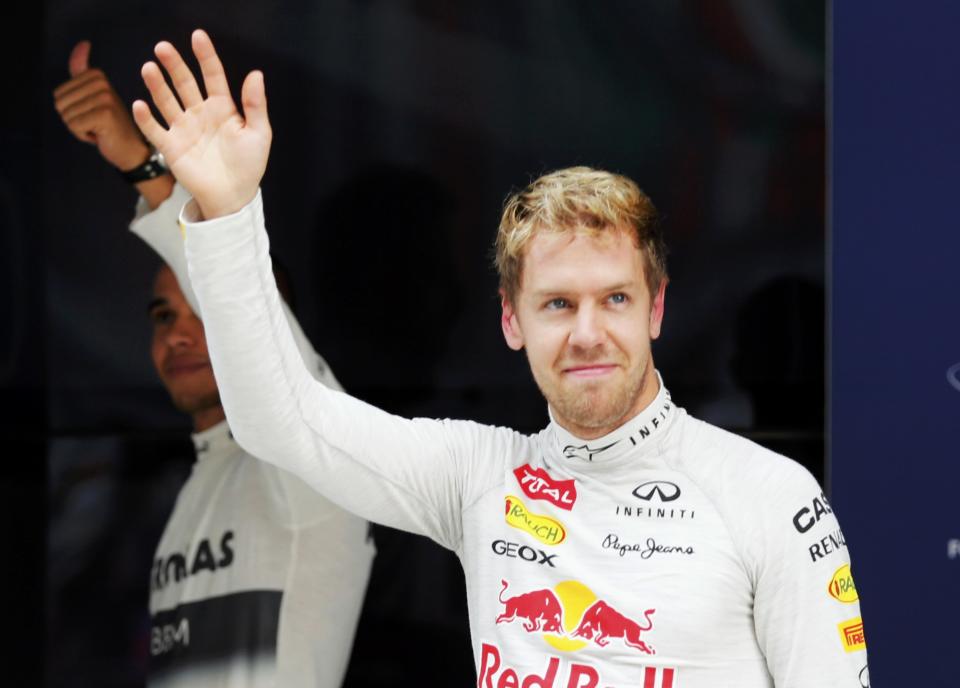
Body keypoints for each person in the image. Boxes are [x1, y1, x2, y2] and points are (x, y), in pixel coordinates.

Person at [133, 29, 869, 687]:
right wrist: (228, 215)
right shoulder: (480, 476)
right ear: (511, 320)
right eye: (557, 304)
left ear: (657, 308)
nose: (586, 333)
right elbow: (281, 421)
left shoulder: (772, 496)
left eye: (614, 299)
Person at [53, 40, 374, 688]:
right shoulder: (195, 490)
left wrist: (140, 164)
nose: (179, 334)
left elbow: (243, 308)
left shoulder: (311, 463)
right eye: (163, 316)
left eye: (202, 310)